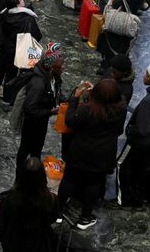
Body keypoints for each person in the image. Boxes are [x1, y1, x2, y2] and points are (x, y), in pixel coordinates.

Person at [57, 78, 125, 229]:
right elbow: (120, 130)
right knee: (94, 184)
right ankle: (85, 217)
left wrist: (75, 97)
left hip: (80, 152)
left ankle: (57, 212)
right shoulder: (121, 109)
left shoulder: (88, 110)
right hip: (103, 155)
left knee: (69, 179)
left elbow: (70, 120)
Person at [110, 64, 150, 209]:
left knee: (122, 166)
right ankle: (138, 199)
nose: (144, 76)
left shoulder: (148, 101)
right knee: (141, 171)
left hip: (139, 143)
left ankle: (123, 201)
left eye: (147, 74)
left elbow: (142, 129)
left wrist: (130, 130)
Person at [0, 157, 60, 251]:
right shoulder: (51, 200)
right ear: (42, 177)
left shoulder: (8, 199)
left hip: (12, 242)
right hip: (37, 243)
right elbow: (53, 218)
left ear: (21, 176)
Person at [15, 43, 62, 171]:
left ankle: (33, 174)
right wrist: (50, 112)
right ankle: (21, 174)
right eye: (60, 66)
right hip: (32, 124)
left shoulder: (53, 78)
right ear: (52, 66)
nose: (63, 68)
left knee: (36, 150)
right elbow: (29, 108)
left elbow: (55, 95)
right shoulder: (38, 83)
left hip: (41, 122)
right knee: (26, 149)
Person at [0, 0, 41, 100]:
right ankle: (8, 99)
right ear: (18, 4)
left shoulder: (4, 13)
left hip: (5, 47)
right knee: (12, 74)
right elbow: (37, 35)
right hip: (19, 50)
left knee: (3, 67)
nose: (23, 0)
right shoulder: (27, 18)